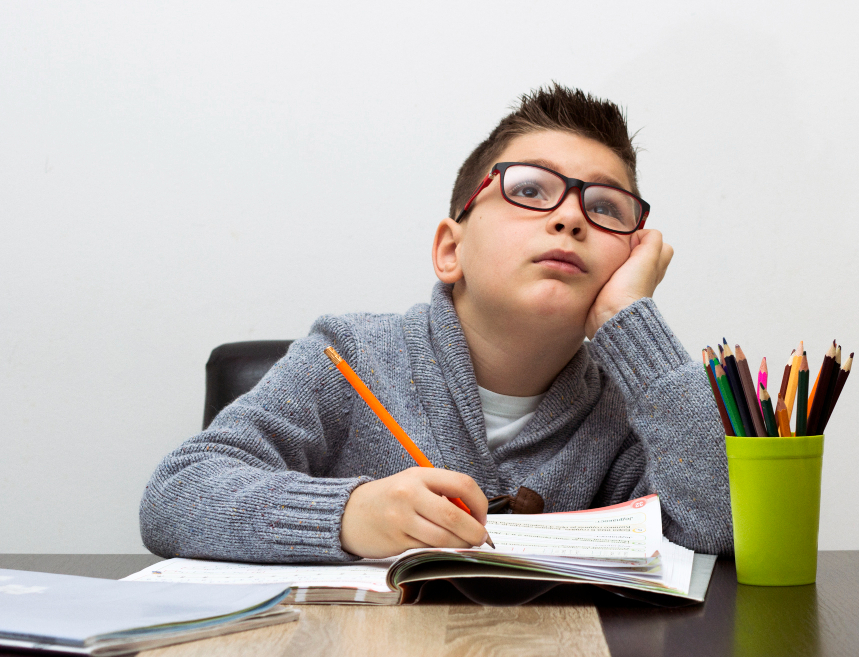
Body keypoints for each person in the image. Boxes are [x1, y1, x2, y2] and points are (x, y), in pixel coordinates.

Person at [139, 83, 733, 562]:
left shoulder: (634, 407)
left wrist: (632, 322)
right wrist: (348, 515)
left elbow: (724, 528)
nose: (571, 218)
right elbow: (176, 495)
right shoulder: (349, 355)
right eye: (530, 190)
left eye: (605, 207)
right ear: (452, 250)